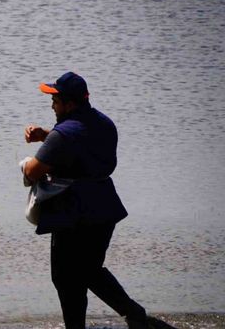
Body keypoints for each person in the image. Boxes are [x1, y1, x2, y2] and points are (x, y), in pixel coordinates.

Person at [22, 72, 175, 329]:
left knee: (64, 276)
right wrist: (46, 136)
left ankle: (79, 326)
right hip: (104, 208)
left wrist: (28, 162)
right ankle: (135, 314)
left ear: (70, 104)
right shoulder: (104, 124)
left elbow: (33, 171)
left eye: (56, 100)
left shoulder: (63, 135)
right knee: (90, 270)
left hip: (72, 212)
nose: (52, 105)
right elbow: (82, 143)